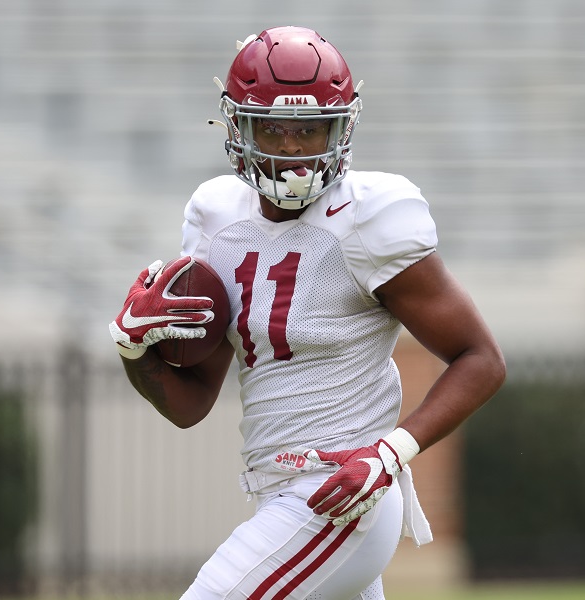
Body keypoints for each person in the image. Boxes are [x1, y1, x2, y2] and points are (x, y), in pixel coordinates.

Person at [108, 26, 506, 600]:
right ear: (237, 126)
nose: (293, 148)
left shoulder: (369, 218)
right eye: (273, 127)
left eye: (311, 128)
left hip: (339, 496)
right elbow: (191, 404)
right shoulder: (216, 219)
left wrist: (392, 451)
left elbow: (481, 359)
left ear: (341, 128)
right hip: (277, 491)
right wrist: (133, 352)